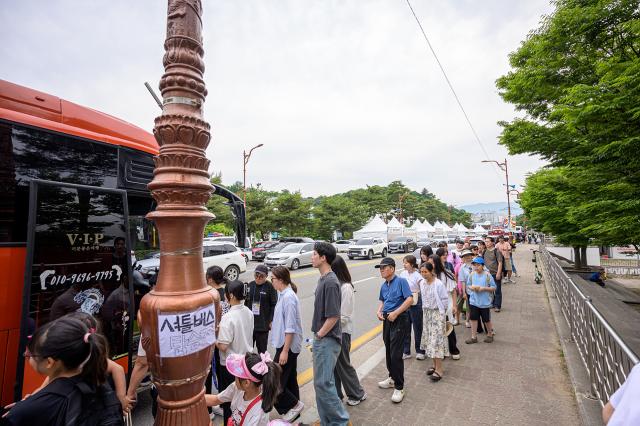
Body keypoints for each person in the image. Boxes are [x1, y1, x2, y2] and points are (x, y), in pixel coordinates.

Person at [2, 316, 122, 425]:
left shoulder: (24, 414)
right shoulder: (100, 385)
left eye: (30, 354)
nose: (26, 355)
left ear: (49, 362)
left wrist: (25, 408)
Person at [310, 242, 350, 425]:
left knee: (324, 384)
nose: (312, 257)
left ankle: (341, 421)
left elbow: (334, 316)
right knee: (320, 385)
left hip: (327, 340)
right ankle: (327, 422)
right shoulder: (323, 279)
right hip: (322, 339)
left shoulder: (331, 282)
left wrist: (319, 335)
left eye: (314, 254)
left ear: (323, 257)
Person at [205, 352, 282, 426]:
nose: (234, 378)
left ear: (246, 383)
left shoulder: (257, 414)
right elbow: (216, 399)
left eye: (237, 375)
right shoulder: (237, 388)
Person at [269, 266, 305, 422]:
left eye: (273, 279)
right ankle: (295, 413)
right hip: (285, 345)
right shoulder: (283, 294)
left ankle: (294, 405)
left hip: (287, 346)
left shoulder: (289, 297)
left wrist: (285, 350)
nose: (272, 282)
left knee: (274, 382)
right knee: (290, 379)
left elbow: (291, 327)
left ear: (281, 280)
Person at [376, 257, 413, 403]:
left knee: (396, 354)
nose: (382, 270)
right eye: (380, 268)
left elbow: (409, 299)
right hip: (387, 319)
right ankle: (392, 378)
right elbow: (382, 300)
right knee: (388, 349)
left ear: (391, 268)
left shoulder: (401, 281)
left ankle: (399, 387)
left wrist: (396, 312)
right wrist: (379, 311)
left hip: (399, 319)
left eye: (384, 268)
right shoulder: (384, 285)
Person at [217, 280, 254, 425]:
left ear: (230, 295)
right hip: (246, 362)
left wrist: (214, 340)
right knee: (242, 401)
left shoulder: (228, 318)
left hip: (230, 367)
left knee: (229, 403)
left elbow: (223, 346)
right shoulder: (248, 312)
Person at [331, 256, 367, 406]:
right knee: (334, 366)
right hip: (333, 331)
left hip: (342, 332)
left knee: (344, 364)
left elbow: (344, 316)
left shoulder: (345, 287)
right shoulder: (335, 284)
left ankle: (357, 393)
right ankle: (337, 395)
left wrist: (327, 325)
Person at [419, 262, 449, 382]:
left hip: (437, 314)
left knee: (436, 341)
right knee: (429, 340)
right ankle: (434, 365)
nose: (423, 274)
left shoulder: (438, 284)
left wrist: (442, 315)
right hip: (427, 314)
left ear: (431, 271)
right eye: (421, 272)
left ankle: (439, 369)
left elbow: (445, 300)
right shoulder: (422, 283)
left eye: (425, 272)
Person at [431, 252, 460, 359]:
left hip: (447, 303)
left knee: (449, 327)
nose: (429, 265)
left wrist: (455, 306)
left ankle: (454, 350)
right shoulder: (427, 276)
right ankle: (441, 350)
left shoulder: (446, 274)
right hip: (434, 306)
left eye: (431, 263)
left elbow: (453, 291)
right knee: (437, 329)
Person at [245, 264, 278, 353]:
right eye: (256, 275)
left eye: (261, 276)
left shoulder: (270, 287)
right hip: (250, 325)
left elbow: (274, 305)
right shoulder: (250, 285)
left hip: (263, 326)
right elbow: (245, 303)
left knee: (262, 352)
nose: (258, 278)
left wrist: (271, 320)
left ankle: (263, 366)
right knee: (247, 351)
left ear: (266, 276)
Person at [465, 257, 497, 344]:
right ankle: (473, 337)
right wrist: (472, 288)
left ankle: (490, 334)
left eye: (478, 265)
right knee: (473, 319)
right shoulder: (471, 275)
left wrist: (484, 288)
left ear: (483, 266)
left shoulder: (487, 275)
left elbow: (494, 287)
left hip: (485, 303)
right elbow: (468, 285)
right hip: (474, 301)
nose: (476, 267)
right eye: (474, 265)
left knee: (486, 320)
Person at [400, 255, 426, 360]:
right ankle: (406, 351)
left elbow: (422, 290)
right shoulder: (402, 274)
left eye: (406, 263)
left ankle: (420, 351)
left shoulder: (418, 275)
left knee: (417, 327)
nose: (404, 265)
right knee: (405, 328)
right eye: (404, 262)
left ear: (412, 264)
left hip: (416, 303)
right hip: (405, 302)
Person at [482, 237, 504, 313]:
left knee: (497, 290)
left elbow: (500, 263)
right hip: (486, 274)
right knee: (489, 290)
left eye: (488, 242)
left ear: (492, 242)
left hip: (495, 273)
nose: (486, 243)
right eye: (485, 242)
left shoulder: (496, 251)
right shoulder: (484, 251)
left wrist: (499, 273)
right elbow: (483, 263)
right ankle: (492, 303)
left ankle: (497, 305)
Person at [455, 249, 474, 328]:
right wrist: (464, 292)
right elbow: (462, 280)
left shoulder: (476, 264)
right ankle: (459, 320)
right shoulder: (462, 267)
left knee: (470, 307)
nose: (468, 257)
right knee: (461, 305)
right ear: (463, 258)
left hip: (476, 289)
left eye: (469, 255)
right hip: (465, 289)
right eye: (465, 256)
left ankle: (468, 321)